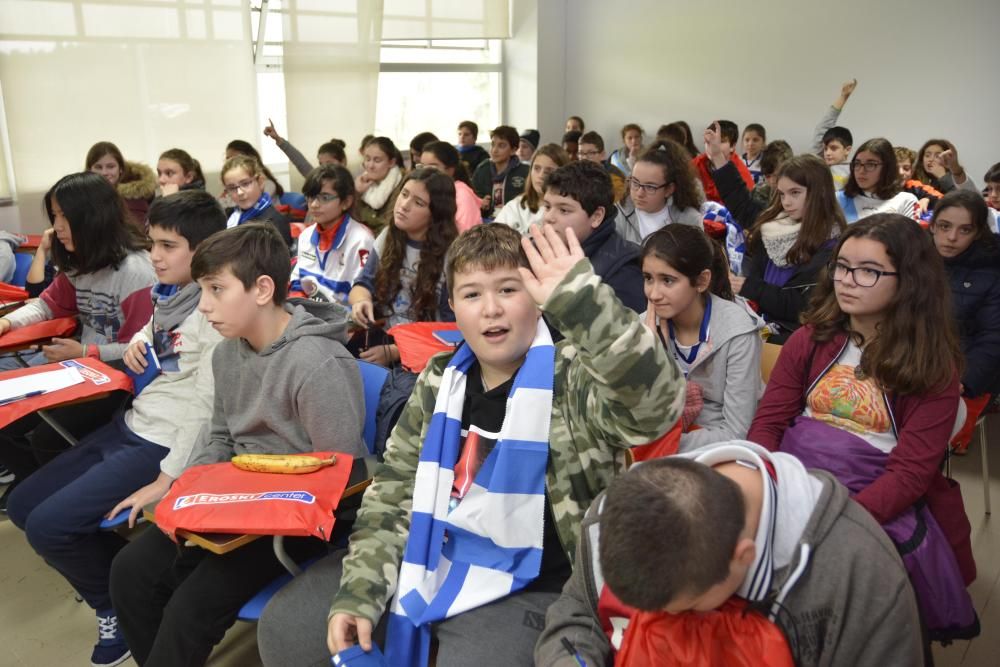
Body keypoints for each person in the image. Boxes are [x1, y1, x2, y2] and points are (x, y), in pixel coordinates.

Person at [254, 222, 685, 667]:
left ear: (538, 300)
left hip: (535, 585)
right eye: (473, 294)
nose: (491, 309)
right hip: (431, 557)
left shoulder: (574, 375)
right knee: (289, 627)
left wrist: (583, 301)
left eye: (508, 289)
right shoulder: (441, 378)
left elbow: (657, 408)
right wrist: (360, 592)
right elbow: (395, 493)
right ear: (454, 306)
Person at [108, 222, 367, 667]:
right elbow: (222, 438)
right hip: (233, 501)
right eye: (201, 290)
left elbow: (341, 476)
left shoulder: (318, 362)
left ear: (262, 289)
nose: (204, 307)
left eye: (215, 290)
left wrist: (245, 511)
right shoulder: (227, 353)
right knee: (129, 572)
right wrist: (190, 494)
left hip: (295, 521)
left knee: (190, 606)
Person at [5, 191, 226, 667]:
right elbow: (147, 336)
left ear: (205, 249)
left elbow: (206, 407)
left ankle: (117, 610)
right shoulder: (169, 295)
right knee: (23, 505)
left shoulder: (214, 312)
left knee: (48, 526)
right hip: (132, 421)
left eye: (168, 246)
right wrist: (132, 348)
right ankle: (131, 594)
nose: (154, 256)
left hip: (162, 442)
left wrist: (169, 474)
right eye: (153, 243)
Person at [748, 214, 979, 644]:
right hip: (796, 479)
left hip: (872, 496)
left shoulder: (933, 369)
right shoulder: (812, 338)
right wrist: (765, 481)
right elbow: (770, 421)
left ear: (908, 281)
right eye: (842, 265)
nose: (847, 280)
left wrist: (839, 521)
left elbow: (910, 473)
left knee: (841, 587)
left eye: (868, 270)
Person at [534, 444, 924, 667]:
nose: (664, 623)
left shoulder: (858, 571)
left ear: (743, 557)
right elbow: (577, 609)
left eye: (686, 607)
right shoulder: (610, 518)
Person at [0, 172, 154, 502]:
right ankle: (33, 486)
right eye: (54, 216)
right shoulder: (80, 262)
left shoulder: (135, 272)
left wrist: (86, 351)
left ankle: (60, 496)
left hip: (120, 379)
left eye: (64, 216)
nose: (57, 226)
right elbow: (47, 305)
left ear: (92, 217)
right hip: (82, 369)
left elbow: (141, 348)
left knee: (47, 436)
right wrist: (7, 323)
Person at [641, 225, 762, 449]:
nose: (654, 294)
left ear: (701, 281)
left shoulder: (737, 332)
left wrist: (663, 446)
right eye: (648, 278)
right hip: (662, 437)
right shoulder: (643, 327)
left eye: (668, 280)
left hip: (715, 447)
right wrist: (651, 361)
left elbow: (737, 431)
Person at [731, 155, 847, 344]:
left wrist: (749, 287)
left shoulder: (834, 245)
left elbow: (804, 307)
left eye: (795, 193)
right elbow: (741, 205)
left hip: (795, 337)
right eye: (782, 194)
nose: (786, 202)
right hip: (757, 323)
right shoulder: (772, 228)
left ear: (820, 192)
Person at [348, 169, 459, 366]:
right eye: (404, 194)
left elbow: (453, 332)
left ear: (436, 215)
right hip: (387, 335)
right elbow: (362, 284)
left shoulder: (452, 257)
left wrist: (396, 351)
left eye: (418, 203)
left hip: (429, 351)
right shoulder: (389, 236)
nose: (404, 205)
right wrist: (361, 301)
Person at [930, 190, 1000, 452]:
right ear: (933, 224)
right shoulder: (915, 258)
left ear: (978, 232)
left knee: (925, 446)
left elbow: (993, 338)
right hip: (913, 365)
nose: (951, 238)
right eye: (945, 226)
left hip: (964, 376)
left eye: (965, 230)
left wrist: (964, 381)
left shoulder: (992, 270)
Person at [542, 161, 645, 312]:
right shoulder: (538, 250)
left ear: (596, 216)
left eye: (564, 210)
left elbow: (618, 334)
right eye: (547, 207)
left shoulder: (624, 270)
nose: (549, 217)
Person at [290, 164, 374, 304]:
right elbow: (298, 281)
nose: (314, 204)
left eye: (324, 197)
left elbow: (361, 295)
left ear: (346, 202)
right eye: (311, 197)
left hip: (341, 319)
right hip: (307, 314)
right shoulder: (306, 235)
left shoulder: (361, 240)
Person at [615, 140, 704, 245]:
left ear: (669, 189)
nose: (639, 193)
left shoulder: (689, 220)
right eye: (635, 183)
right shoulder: (618, 213)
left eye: (650, 187)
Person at [495, 144, 572, 235]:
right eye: (536, 168)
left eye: (549, 171)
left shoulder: (570, 209)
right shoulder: (515, 206)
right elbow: (493, 238)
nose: (541, 176)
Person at [838, 138, 919, 222]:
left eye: (870, 164)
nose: (861, 171)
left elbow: (911, 234)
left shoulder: (905, 200)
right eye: (857, 163)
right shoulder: (838, 199)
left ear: (887, 168)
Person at [220, 155, 292, 247]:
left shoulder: (274, 223)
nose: (239, 192)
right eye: (232, 188)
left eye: (245, 184)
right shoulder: (228, 216)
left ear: (260, 182)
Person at [86, 141, 157, 229]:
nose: (104, 172)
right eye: (98, 167)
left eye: (110, 166)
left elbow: (137, 238)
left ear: (121, 169)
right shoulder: (82, 196)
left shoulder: (134, 199)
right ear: (89, 170)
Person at [419, 141, 483, 232]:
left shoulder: (462, 196)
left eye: (432, 167)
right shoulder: (426, 190)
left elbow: (466, 237)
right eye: (421, 167)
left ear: (450, 170)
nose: (425, 172)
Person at [471, 125, 530, 219]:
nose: (494, 150)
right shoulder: (482, 169)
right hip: (486, 221)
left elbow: (530, 203)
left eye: (501, 146)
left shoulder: (525, 172)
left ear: (513, 150)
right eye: (493, 144)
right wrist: (480, 203)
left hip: (515, 222)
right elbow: (472, 197)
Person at [352, 136, 406, 236]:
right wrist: (357, 193)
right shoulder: (361, 182)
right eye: (367, 159)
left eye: (377, 161)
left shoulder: (402, 187)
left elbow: (389, 228)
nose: (371, 166)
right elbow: (352, 219)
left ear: (391, 162)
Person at [692, 120, 755, 203]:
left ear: (732, 146)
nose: (713, 145)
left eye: (721, 141)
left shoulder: (740, 174)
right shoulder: (696, 163)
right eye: (708, 141)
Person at [811, 79, 857, 191]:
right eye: (826, 149)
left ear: (847, 149)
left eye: (833, 148)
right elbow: (822, 128)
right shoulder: (818, 165)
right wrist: (843, 97)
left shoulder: (854, 171)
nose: (828, 153)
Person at [263, 118, 347, 177]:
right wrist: (277, 138)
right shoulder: (318, 180)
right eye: (321, 164)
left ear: (343, 162)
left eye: (329, 163)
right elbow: (300, 162)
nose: (324, 169)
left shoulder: (350, 186)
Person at [913, 139, 978, 195]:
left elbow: (961, 200)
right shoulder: (915, 179)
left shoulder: (956, 178)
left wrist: (942, 176)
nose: (931, 159)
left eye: (937, 156)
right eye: (927, 155)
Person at [577, 131, 627, 202]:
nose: (584, 158)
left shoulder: (614, 179)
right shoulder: (576, 173)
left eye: (591, 153)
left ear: (602, 155)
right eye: (581, 153)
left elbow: (614, 208)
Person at [894, 146, 943, 215]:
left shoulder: (915, 186)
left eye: (906, 168)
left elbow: (944, 200)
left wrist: (928, 199)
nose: (901, 172)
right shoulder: (877, 186)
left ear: (911, 172)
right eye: (895, 168)